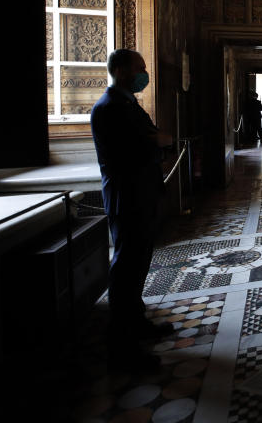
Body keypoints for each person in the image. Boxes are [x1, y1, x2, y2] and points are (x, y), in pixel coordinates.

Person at [91, 49, 173, 370]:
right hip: (128, 196)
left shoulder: (126, 104)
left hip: (141, 193)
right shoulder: (110, 108)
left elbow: (152, 139)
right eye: (140, 68)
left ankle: (136, 325)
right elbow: (143, 145)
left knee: (138, 263)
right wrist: (157, 142)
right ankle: (122, 346)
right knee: (126, 268)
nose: (144, 73)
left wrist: (157, 142)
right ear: (123, 70)